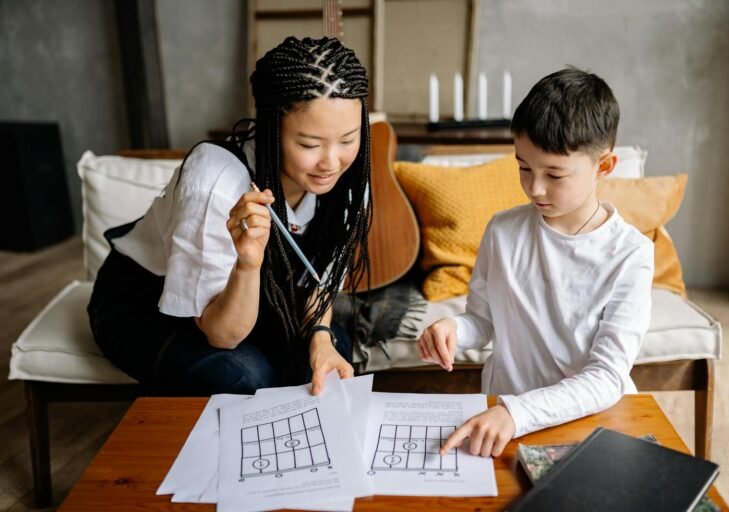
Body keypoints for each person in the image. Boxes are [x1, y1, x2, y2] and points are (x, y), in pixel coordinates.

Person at [88, 36, 372, 396]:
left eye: (348, 140)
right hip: (148, 306)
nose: (332, 162)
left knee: (328, 358)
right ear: (272, 128)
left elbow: (322, 282)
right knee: (243, 376)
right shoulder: (217, 182)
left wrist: (320, 335)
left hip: (262, 302)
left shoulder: (348, 180)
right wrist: (248, 265)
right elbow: (223, 334)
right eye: (309, 145)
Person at [417, 67, 654, 457]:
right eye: (524, 167)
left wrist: (517, 412)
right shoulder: (503, 231)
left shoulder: (630, 254)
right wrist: (452, 329)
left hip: (584, 422)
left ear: (604, 167)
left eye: (555, 174)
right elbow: (484, 322)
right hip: (503, 419)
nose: (534, 187)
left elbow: (607, 376)